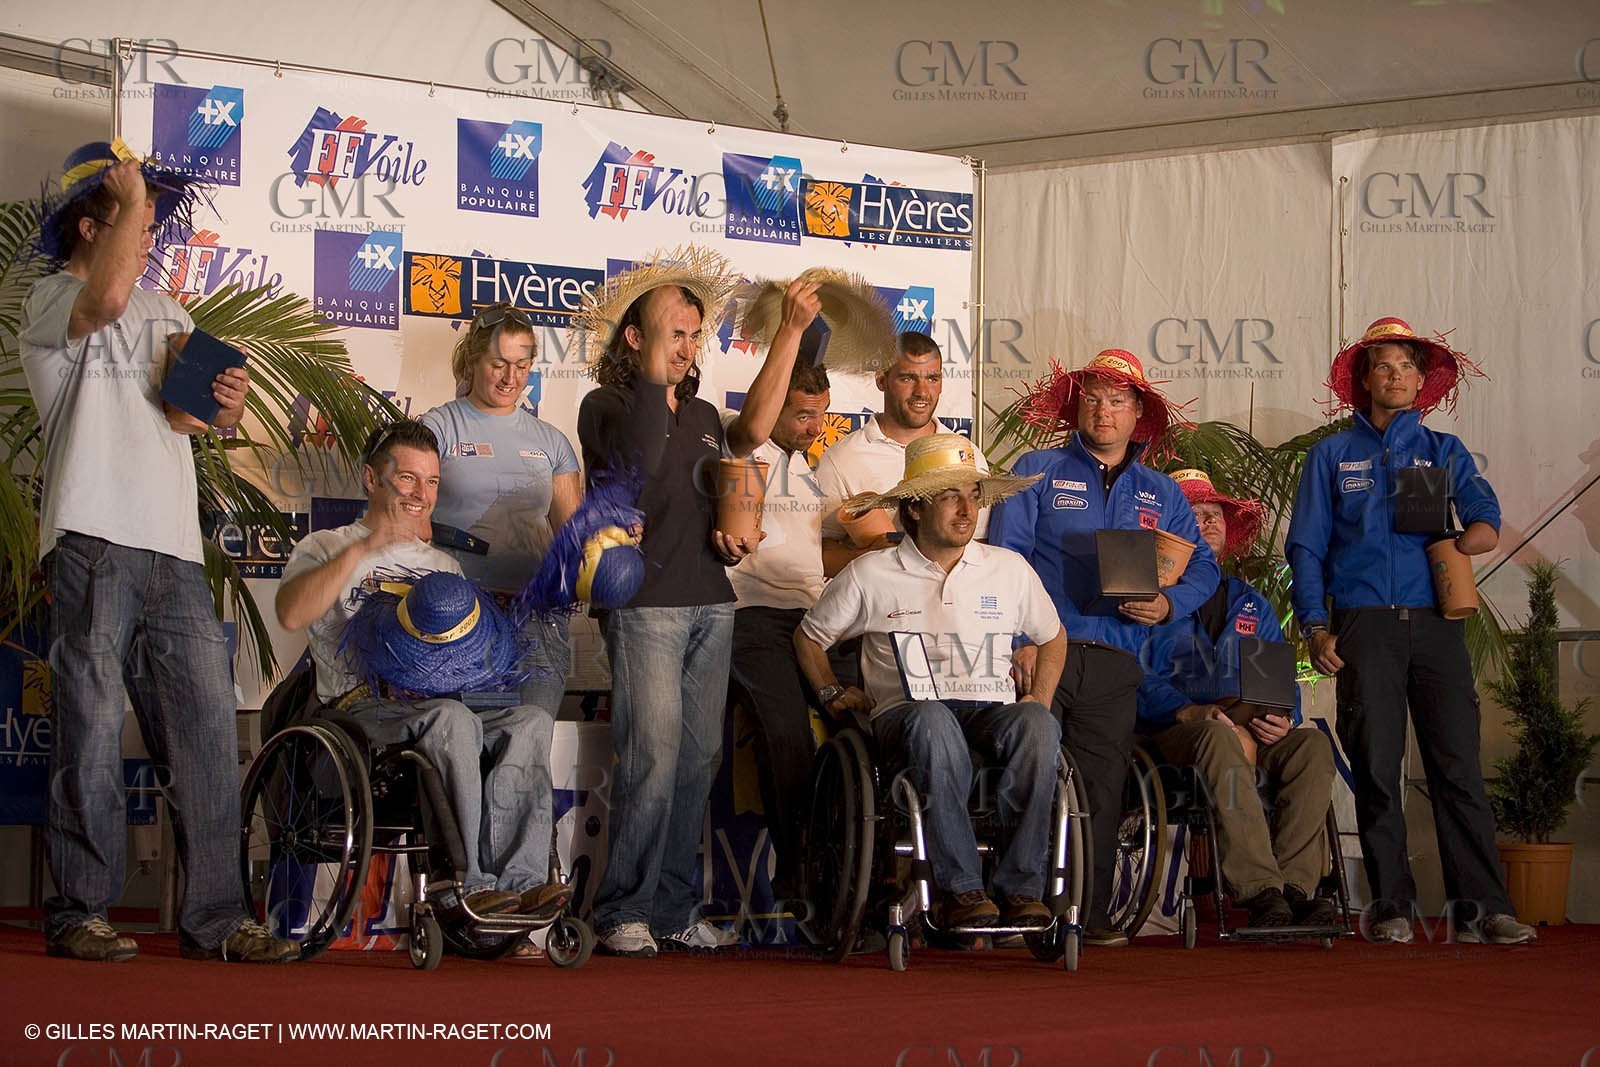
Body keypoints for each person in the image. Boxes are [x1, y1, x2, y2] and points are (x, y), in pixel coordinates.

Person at [19, 141, 296, 964]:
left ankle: (216, 917)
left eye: (150, 222)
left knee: (208, 729)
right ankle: (81, 909)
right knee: (92, 722)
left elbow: (188, 420)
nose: (150, 236)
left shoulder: (170, 312)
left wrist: (227, 405)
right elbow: (103, 295)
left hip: (175, 547)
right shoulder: (50, 297)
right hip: (92, 535)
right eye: (135, 220)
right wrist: (132, 194)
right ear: (88, 221)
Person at [1287, 317, 1534, 945]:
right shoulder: (1331, 456)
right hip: (1363, 625)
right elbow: (1307, 548)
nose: (1395, 377)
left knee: (1458, 766)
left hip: (1435, 626)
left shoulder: (1444, 451)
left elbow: (1484, 518)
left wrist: (1462, 540)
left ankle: (1483, 910)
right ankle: (1392, 905)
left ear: (1422, 382)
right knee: (1375, 767)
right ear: (1365, 378)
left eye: (1406, 367)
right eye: (1384, 366)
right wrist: (1316, 626)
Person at [276, 419, 564, 924]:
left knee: (529, 722)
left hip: (438, 709)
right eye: (406, 478)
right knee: (451, 718)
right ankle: (466, 885)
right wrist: (364, 548)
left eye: (431, 482)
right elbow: (291, 615)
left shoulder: (443, 569)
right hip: (357, 715)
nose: (421, 494)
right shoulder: (325, 546)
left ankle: (522, 884)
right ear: (371, 479)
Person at [573, 247, 772, 957]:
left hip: (711, 602)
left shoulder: (709, 415)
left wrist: (733, 533)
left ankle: (673, 906)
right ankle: (620, 907)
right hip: (645, 605)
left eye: (694, 334)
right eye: (671, 332)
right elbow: (644, 466)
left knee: (698, 760)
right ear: (635, 338)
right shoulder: (608, 406)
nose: (686, 348)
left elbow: (718, 496)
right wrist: (658, 375)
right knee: (652, 754)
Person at [989, 349, 1219, 947]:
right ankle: (1021, 905)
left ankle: (1083, 917)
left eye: (1118, 400)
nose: (1105, 410)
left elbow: (1204, 571)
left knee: (1100, 788)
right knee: (1030, 774)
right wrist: (1018, 639)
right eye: (1093, 397)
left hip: (1119, 660)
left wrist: (1170, 606)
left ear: (1138, 411)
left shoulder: (1162, 492)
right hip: (1046, 651)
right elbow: (1005, 559)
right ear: (1077, 404)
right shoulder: (1036, 468)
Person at [795, 434, 1065, 928]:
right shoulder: (871, 573)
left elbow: (1053, 637)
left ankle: (1022, 889)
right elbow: (809, 637)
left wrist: (1040, 698)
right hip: (907, 714)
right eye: (949, 496)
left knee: (1038, 725)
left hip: (991, 711)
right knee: (933, 718)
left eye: (973, 496)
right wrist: (832, 691)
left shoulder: (1008, 568)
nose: (967, 510)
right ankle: (961, 891)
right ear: (914, 509)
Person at [417, 303, 581, 922]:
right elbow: (409, 514)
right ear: (471, 361)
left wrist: (604, 549)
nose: (511, 378)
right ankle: (471, 878)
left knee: (528, 739)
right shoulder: (439, 426)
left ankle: (520, 881)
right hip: (459, 618)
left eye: (523, 365)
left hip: (535, 622)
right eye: (498, 364)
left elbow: (570, 536)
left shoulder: (551, 443)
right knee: (459, 739)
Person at [1137, 469, 1337, 928]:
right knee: (1213, 734)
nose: (1207, 523)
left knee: (1311, 746)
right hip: (1174, 734)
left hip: (1248, 729)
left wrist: (1284, 716)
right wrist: (1185, 708)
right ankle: (1259, 888)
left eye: (1215, 516)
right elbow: (1132, 674)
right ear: (1171, 530)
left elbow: (1278, 679)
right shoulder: (1150, 598)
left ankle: (1295, 889)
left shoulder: (1251, 602)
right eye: (1194, 514)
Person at [723, 348, 829, 899]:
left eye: (821, 415)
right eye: (803, 416)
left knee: (874, 710)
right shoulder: (734, 443)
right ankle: (798, 874)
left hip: (816, 621)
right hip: (750, 617)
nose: (815, 429)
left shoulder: (810, 468)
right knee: (787, 727)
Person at [815, 331, 989, 577]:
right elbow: (816, 555)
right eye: (908, 378)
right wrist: (866, 558)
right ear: (881, 380)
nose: (922, 391)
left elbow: (980, 545)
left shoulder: (966, 454)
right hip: (878, 608)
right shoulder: (843, 459)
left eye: (932, 378)